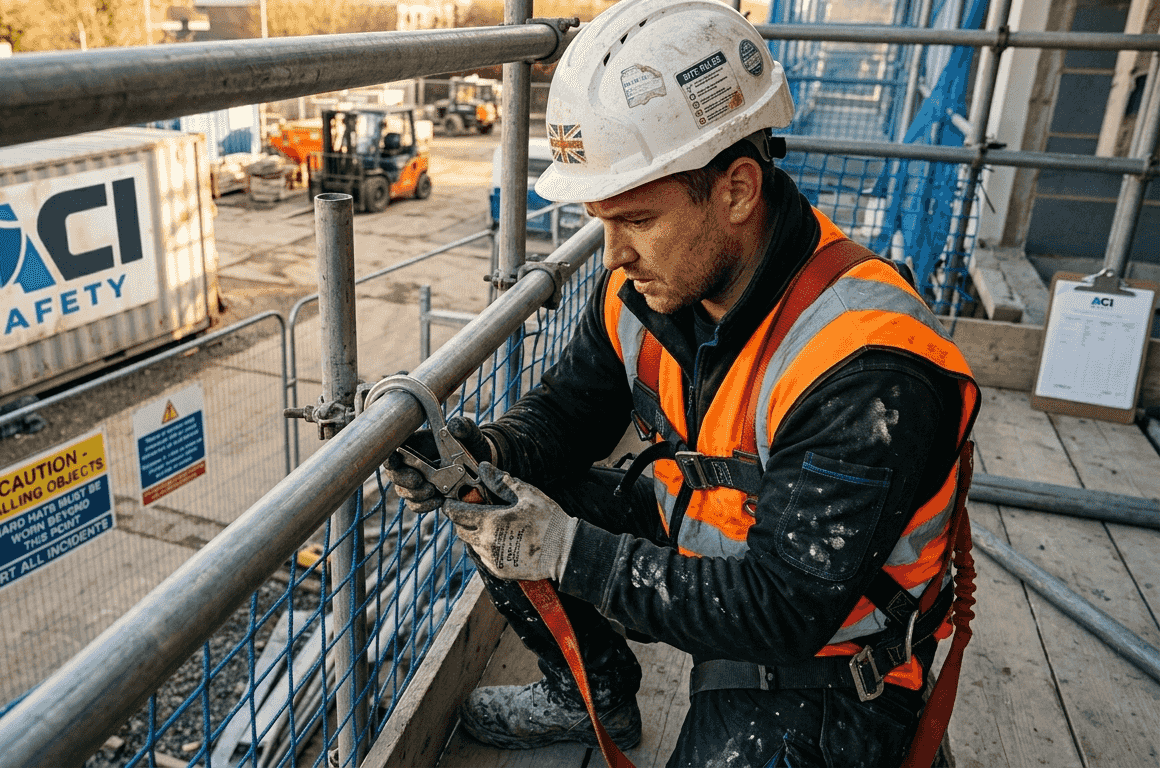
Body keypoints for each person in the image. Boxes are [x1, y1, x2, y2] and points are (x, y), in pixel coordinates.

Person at [386, 1, 981, 765]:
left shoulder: (866, 370)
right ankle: (588, 695)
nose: (613, 254)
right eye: (602, 220)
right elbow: (570, 414)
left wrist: (571, 553)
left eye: (635, 219)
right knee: (492, 502)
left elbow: (788, 610)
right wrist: (481, 453)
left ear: (736, 190)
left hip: (830, 659)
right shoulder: (646, 293)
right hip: (708, 541)